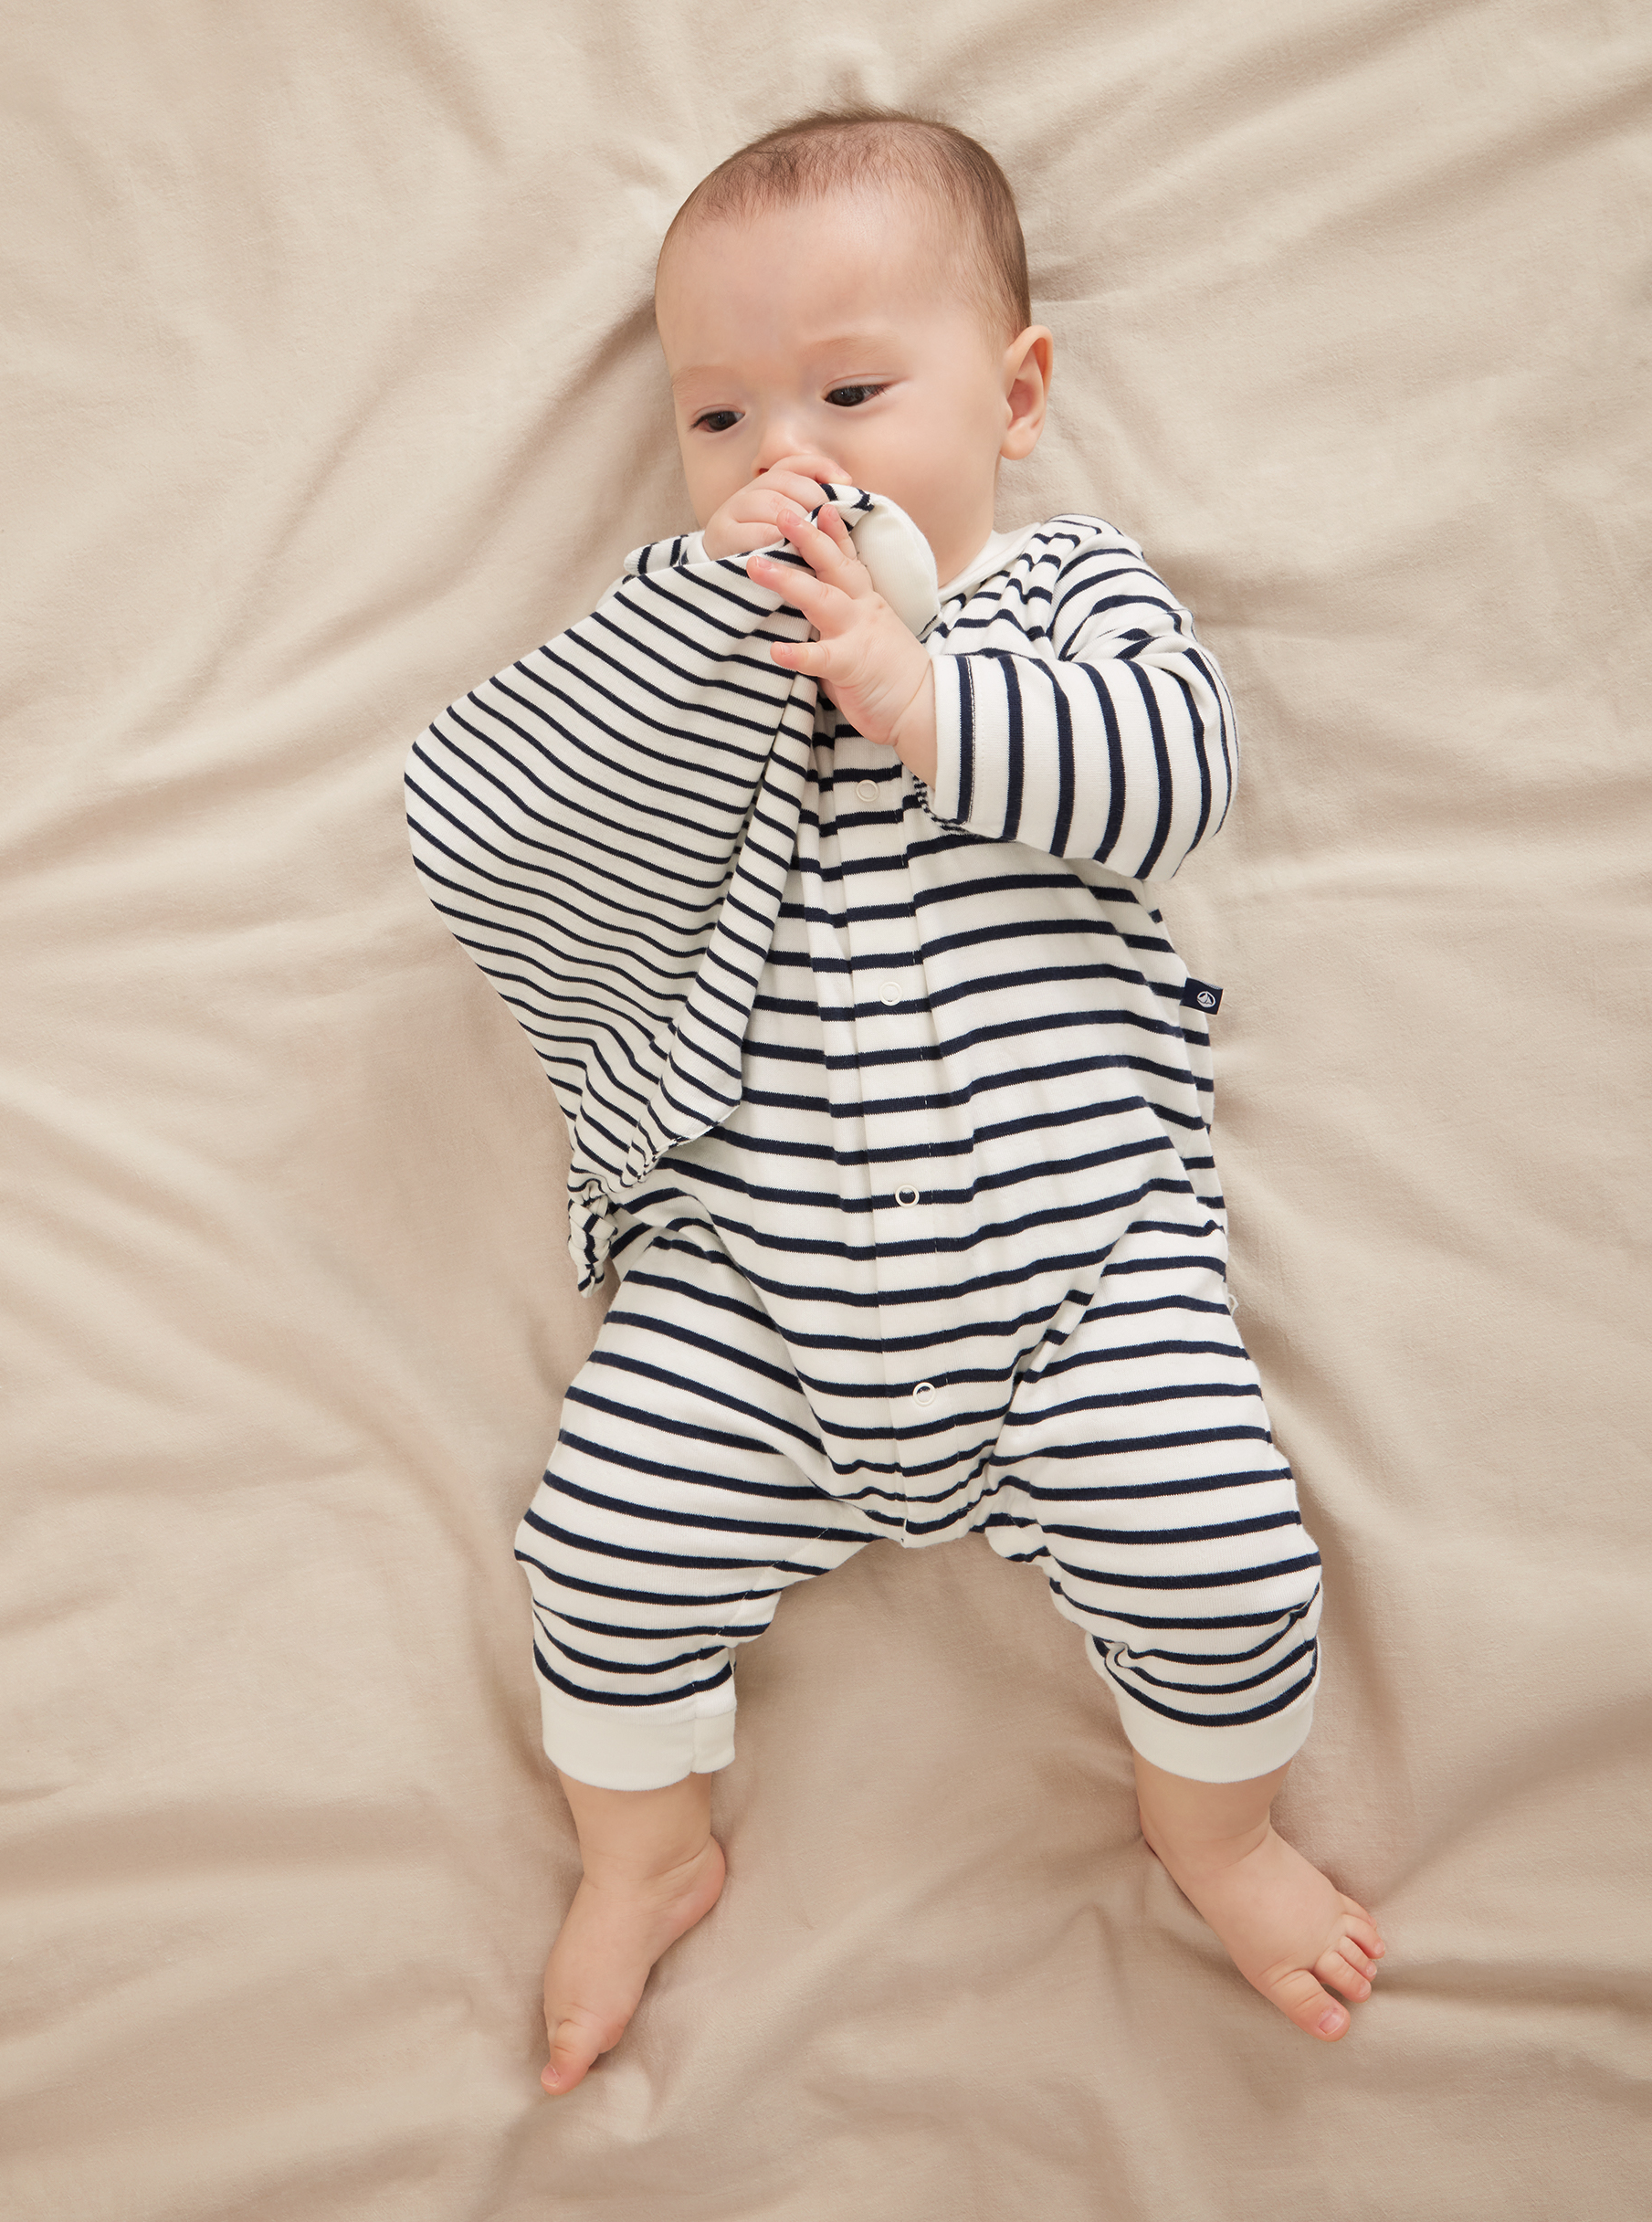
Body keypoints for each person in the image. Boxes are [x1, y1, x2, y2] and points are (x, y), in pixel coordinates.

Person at [404, 108, 1384, 2097]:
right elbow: (503, 820)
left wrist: (922, 695)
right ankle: (644, 1849)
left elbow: (1171, 779)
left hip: (1077, 1274)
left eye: (851, 393)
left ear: (1012, 398)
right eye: (719, 418)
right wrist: (695, 639)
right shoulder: (690, 646)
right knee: (597, 1551)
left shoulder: (1061, 600)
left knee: (1219, 1553)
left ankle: (1211, 1830)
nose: (790, 460)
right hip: (746, 1287)